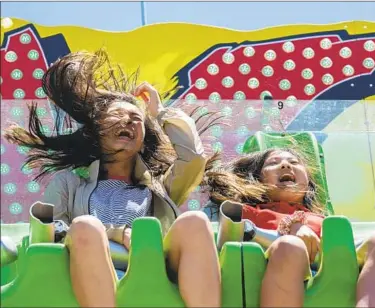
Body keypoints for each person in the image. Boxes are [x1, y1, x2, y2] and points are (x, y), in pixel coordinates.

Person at [4, 50, 221, 308]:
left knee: (195, 221)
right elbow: (53, 233)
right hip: (90, 271)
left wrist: (161, 113)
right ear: (96, 132)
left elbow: (194, 160)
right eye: (117, 116)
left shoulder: (159, 186)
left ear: (143, 139)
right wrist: (115, 233)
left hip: (150, 267)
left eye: (136, 120)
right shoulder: (69, 184)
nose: (127, 122)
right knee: (85, 226)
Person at [203, 148, 375, 308]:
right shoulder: (248, 212)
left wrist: (301, 222)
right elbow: (232, 234)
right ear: (257, 178)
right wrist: (292, 226)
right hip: (277, 258)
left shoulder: (323, 219)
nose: (285, 165)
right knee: (291, 246)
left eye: (294, 162)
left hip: (327, 262)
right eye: (273, 163)